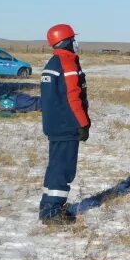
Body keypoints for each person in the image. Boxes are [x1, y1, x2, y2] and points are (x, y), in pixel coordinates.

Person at [39, 23, 90, 225]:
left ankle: (47, 207)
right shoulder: (66, 63)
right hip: (66, 125)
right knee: (63, 169)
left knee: (55, 168)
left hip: (54, 124)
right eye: (73, 39)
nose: (76, 43)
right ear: (66, 41)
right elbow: (73, 97)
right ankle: (52, 213)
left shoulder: (52, 63)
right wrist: (83, 123)